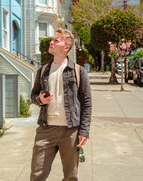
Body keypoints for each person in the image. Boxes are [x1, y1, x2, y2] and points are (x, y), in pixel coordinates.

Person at [30, 28, 92, 181]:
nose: (51, 42)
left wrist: (84, 130)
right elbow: (33, 95)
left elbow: (87, 102)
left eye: (56, 40)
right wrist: (40, 100)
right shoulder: (43, 70)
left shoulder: (78, 71)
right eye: (52, 39)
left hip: (70, 131)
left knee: (71, 176)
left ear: (66, 48)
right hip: (46, 129)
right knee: (37, 175)